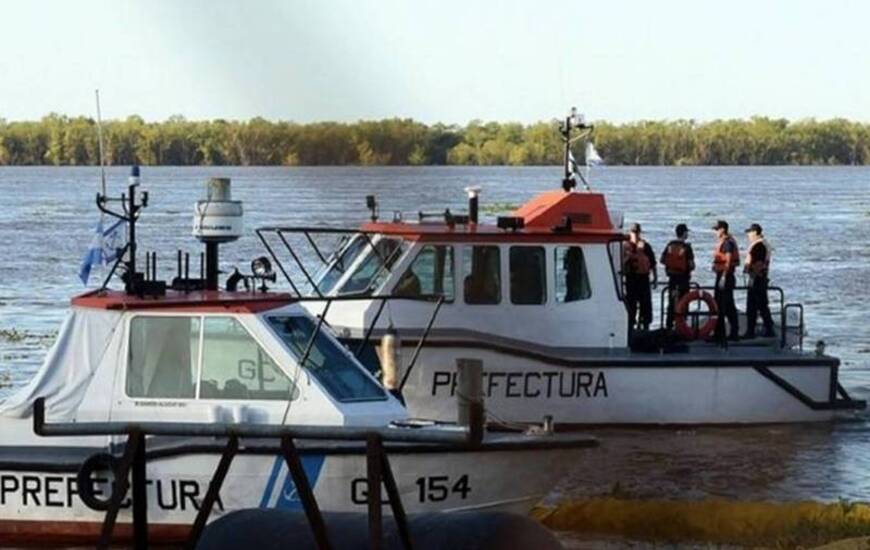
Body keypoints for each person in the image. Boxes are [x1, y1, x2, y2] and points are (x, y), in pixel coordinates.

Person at [743, 223, 775, 338]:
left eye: (750, 232)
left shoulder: (759, 246)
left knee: (753, 306)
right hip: (761, 278)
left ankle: (751, 332)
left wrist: (750, 270)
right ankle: (768, 329)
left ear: (756, 232)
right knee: (762, 305)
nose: (748, 235)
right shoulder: (763, 244)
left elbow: (758, 264)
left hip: (757, 279)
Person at [623, 223, 657, 332]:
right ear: (630, 232)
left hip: (643, 278)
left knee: (645, 304)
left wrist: (655, 278)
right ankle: (630, 325)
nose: (635, 234)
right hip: (631, 278)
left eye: (637, 232)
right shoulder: (625, 246)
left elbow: (653, 263)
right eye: (633, 232)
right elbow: (619, 264)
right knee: (631, 304)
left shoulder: (646, 246)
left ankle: (645, 325)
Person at [660, 223, 695, 329]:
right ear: (684, 234)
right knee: (684, 302)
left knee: (671, 302)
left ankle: (669, 325)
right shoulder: (687, 248)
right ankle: (682, 326)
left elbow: (662, 260)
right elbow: (691, 265)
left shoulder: (670, 245)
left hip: (672, 279)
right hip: (683, 280)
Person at [711, 220, 740, 342]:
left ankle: (724, 333)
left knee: (724, 305)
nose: (716, 232)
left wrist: (723, 277)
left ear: (723, 229)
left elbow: (728, 261)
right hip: (723, 275)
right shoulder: (725, 242)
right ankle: (721, 332)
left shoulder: (728, 243)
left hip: (725, 277)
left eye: (717, 230)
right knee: (725, 305)